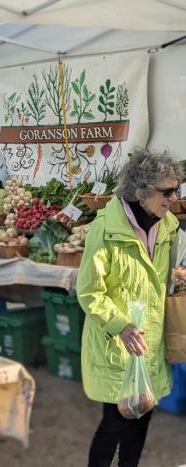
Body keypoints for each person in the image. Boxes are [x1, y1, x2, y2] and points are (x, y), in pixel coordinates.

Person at [76, 149, 182, 467]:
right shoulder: (105, 229)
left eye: (177, 189)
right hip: (117, 344)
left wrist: (178, 277)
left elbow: (164, 279)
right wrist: (120, 325)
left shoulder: (169, 225)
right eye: (167, 191)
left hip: (148, 342)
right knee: (116, 421)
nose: (174, 198)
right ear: (142, 191)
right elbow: (89, 291)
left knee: (141, 418)